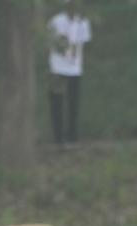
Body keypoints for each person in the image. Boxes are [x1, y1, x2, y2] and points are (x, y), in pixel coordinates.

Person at [48, 0, 91, 146]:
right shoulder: (56, 21)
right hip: (57, 67)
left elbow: (83, 43)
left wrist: (74, 55)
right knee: (57, 101)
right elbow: (51, 41)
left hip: (74, 68)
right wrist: (62, 46)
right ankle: (57, 137)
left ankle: (72, 136)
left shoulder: (83, 22)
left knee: (73, 102)